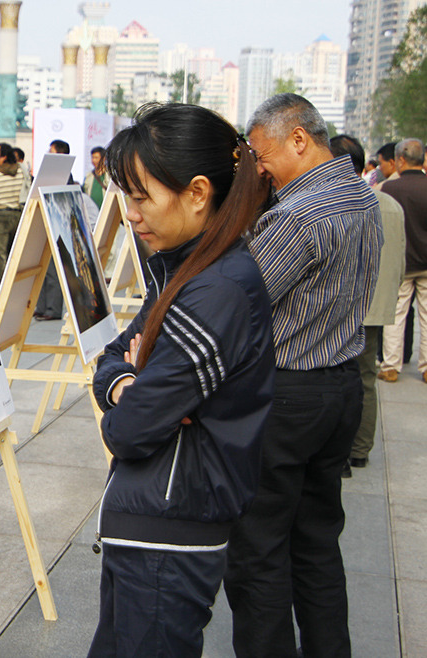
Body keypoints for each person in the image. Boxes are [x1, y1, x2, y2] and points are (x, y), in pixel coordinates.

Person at [88, 103, 275, 657]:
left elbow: (127, 431)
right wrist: (128, 381)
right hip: (152, 521)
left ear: (197, 192)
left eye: (142, 196)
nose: (132, 213)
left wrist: (130, 391)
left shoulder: (214, 289)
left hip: (168, 532)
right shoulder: (188, 266)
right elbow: (112, 359)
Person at [224, 94, 382, 658]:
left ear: (298, 139)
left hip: (287, 395)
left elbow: (241, 300)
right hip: (339, 388)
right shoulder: (361, 195)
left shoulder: (300, 213)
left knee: (259, 552)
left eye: (262, 156)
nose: (259, 168)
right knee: (316, 544)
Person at [328, 135, 405, 477]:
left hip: (344, 306)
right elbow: (399, 259)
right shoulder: (388, 203)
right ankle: (359, 450)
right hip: (375, 305)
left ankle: (341, 452)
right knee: (366, 378)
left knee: (340, 377)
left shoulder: (336, 203)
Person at [379, 137, 427, 384]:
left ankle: (390, 366)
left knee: (396, 315)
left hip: (402, 263)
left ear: (400, 160)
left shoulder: (389, 189)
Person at [34, 139, 72, 320]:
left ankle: (52, 308)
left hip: (56, 228)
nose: (48, 154)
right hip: (43, 225)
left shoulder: (64, 175)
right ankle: (41, 306)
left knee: (52, 271)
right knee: (41, 270)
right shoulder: (51, 173)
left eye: (52, 151)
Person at [0, 142, 26, 289]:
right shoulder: (20, 171)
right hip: (17, 216)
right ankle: (15, 289)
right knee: (15, 255)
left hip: (0, 217)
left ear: (3, 157)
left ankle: (1, 291)